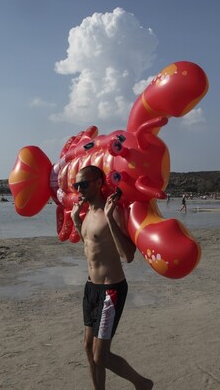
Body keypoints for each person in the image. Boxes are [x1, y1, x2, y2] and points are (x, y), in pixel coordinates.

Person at [71, 166, 153, 390]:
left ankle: (142, 383)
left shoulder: (113, 211)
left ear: (98, 183)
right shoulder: (85, 214)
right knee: (88, 348)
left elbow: (127, 255)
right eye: (76, 185)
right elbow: (90, 247)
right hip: (91, 288)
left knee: (101, 356)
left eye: (83, 184)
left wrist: (109, 217)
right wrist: (77, 222)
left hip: (111, 289)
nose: (79, 189)